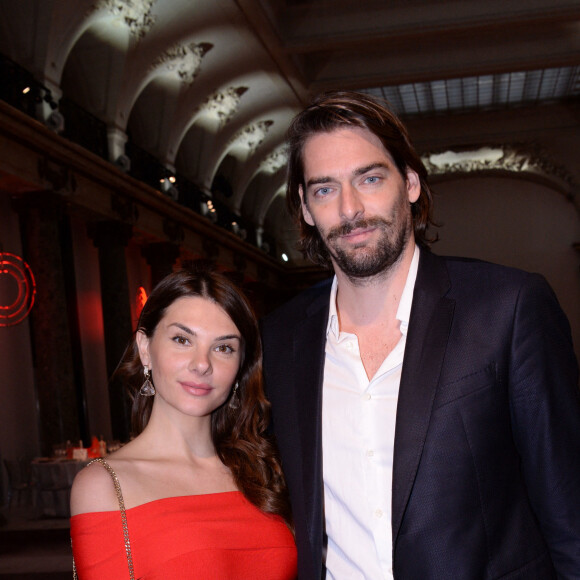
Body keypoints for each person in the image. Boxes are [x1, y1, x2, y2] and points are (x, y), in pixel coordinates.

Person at [261, 91, 580, 579]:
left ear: (409, 183)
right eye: (325, 189)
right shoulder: (282, 339)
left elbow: (568, 508)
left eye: (369, 179)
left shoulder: (507, 308)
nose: (350, 209)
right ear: (305, 208)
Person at [70, 265, 297, 579]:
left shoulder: (264, 468)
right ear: (145, 348)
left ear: (240, 365)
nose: (202, 364)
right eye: (182, 340)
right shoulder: (105, 484)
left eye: (223, 348)